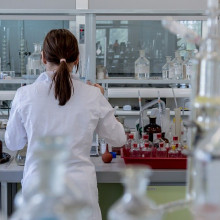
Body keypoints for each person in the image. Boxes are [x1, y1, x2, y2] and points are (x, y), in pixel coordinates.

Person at [5, 29, 126, 220]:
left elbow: (13, 143)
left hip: (38, 194)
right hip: (81, 195)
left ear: (43, 58)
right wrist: (102, 99)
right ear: (77, 59)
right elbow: (118, 138)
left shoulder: (25, 95)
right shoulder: (93, 95)